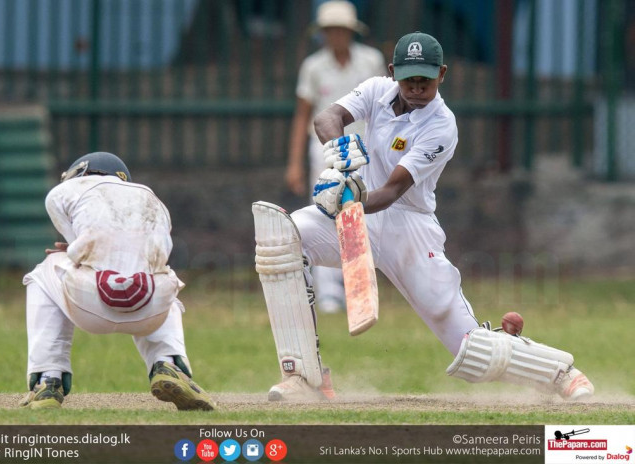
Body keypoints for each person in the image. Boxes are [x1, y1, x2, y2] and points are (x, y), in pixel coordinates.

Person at [253, 32, 594, 402]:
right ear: (392, 72)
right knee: (283, 238)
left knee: (472, 352)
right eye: (409, 78)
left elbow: (392, 191)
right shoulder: (376, 90)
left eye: (425, 80)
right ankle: (305, 377)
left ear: (442, 74)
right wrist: (340, 154)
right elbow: (327, 117)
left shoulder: (441, 125)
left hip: (408, 227)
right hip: (358, 215)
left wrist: (349, 198)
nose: (416, 87)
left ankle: (559, 372)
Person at [19, 152, 215, 411]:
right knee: (163, 277)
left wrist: (69, 251)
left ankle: (48, 379)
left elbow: (77, 249)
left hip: (90, 303)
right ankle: (168, 362)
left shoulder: (64, 190)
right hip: (149, 309)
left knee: (41, 274)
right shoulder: (152, 199)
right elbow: (157, 253)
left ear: (82, 172)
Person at [285, 0, 386, 313]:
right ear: (324, 33)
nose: (336, 36)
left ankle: (359, 287)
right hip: (326, 151)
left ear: (351, 31)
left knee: (361, 216)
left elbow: (384, 110)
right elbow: (303, 116)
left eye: (341, 30)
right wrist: (294, 164)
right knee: (326, 216)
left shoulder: (371, 61)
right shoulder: (314, 67)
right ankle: (328, 294)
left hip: (364, 149)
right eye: (331, 31)